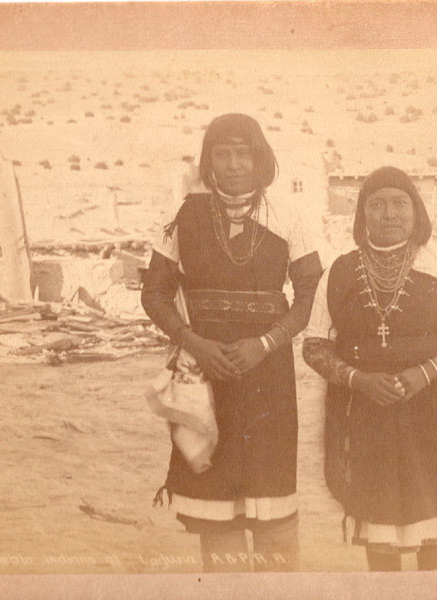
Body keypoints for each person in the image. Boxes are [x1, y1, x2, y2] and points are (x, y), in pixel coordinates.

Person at [141, 113, 323, 572]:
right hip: (205, 375)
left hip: (267, 374)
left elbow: (309, 295)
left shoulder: (290, 214)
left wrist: (265, 343)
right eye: (223, 154)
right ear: (208, 161)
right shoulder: (184, 214)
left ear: (261, 158)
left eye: (244, 153)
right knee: (216, 510)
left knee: (273, 508)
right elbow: (154, 293)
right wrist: (193, 342)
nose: (235, 164)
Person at [302, 166, 437, 571]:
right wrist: (359, 380)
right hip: (364, 415)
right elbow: (314, 345)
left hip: (431, 412)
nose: (389, 213)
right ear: (362, 215)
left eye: (399, 203)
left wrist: (424, 372)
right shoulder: (337, 271)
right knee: (380, 533)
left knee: (432, 527)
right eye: (377, 204)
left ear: (416, 210)